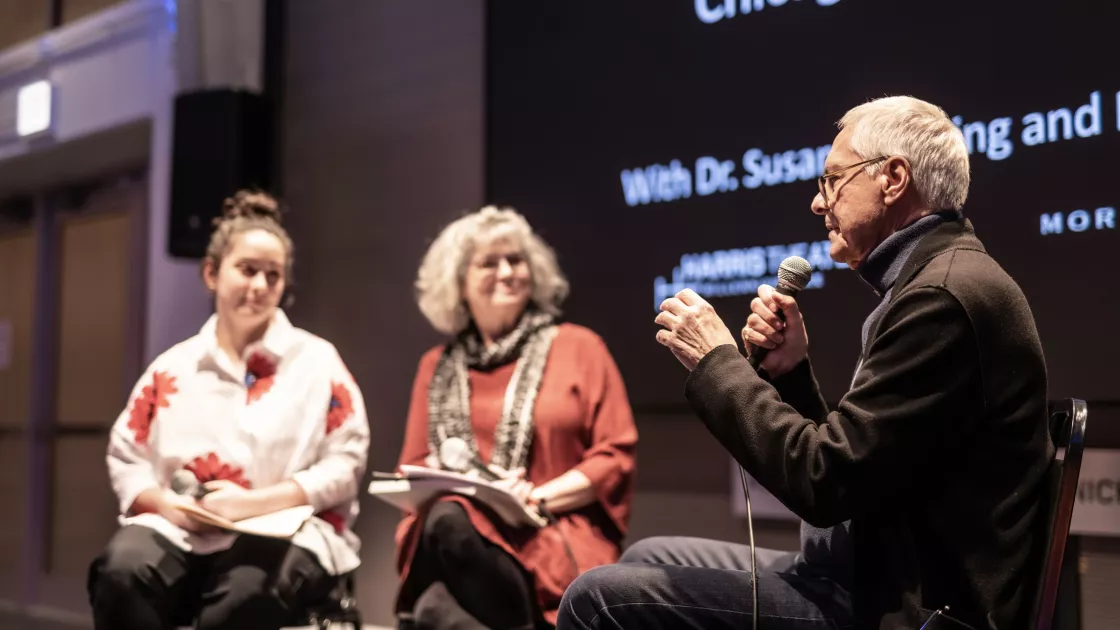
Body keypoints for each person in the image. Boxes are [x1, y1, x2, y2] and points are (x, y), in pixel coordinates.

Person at [559, 96, 1053, 630]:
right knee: (647, 556)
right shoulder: (935, 280)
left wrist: (717, 360)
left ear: (892, 177)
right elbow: (860, 468)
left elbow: (826, 484)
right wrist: (791, 373)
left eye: (831, 180)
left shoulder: (944, 297)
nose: (819, 204)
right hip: (866, 568)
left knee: (599, 598)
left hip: (903, 605)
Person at [87, 190, 370, 630]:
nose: (259, 286)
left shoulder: (317, 363)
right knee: (122, 574)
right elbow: (127, 455)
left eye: (272, 275)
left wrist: (253, 504)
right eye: (247, 270)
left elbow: (346, 461)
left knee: (241, 602)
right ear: (212, 273)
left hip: (284, 529)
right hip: (181, 529)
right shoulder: (173, 366)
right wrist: (169, 506)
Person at [394, 206, 638, 630]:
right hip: (460, 542)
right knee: (447, 521)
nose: (507, 272)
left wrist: (531, 499)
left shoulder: (580, 346)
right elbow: (412, 467)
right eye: (489, 263)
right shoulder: (436, 365)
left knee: (436, 607)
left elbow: (614, 457)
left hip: (549, 531)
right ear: (459, 283)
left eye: (516, 260)